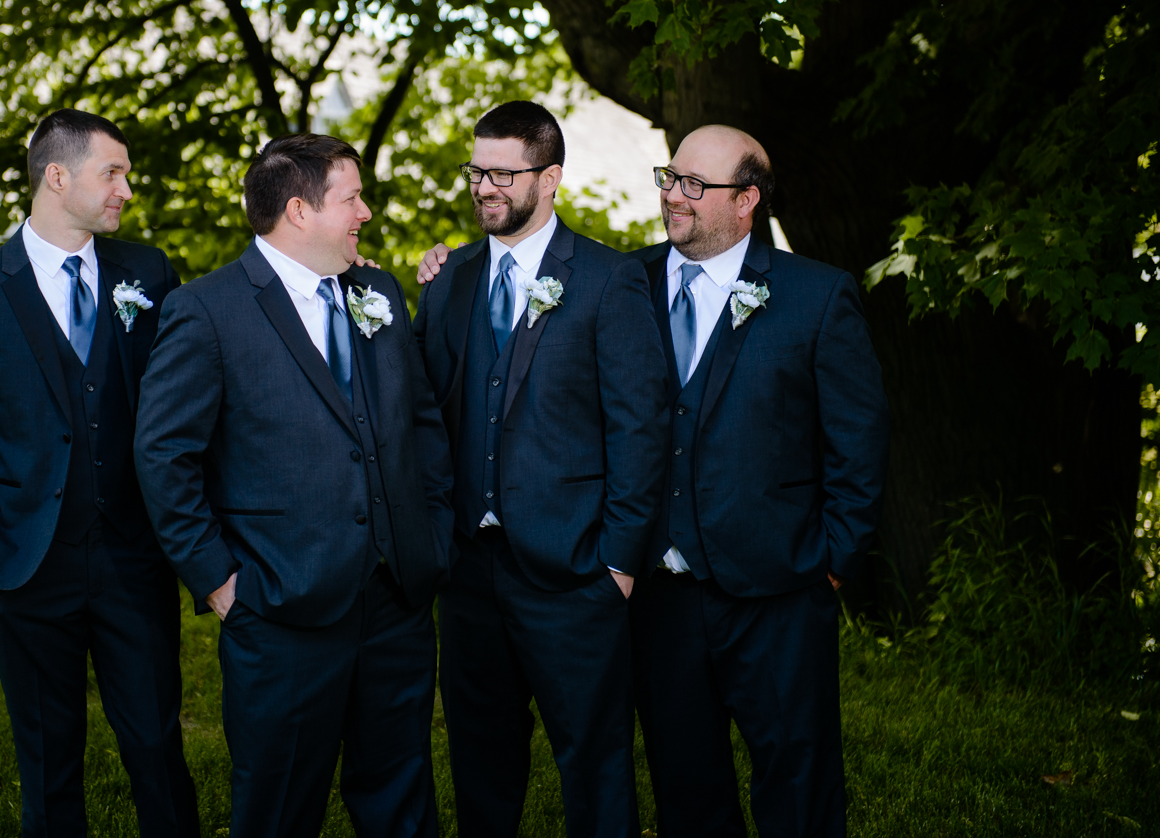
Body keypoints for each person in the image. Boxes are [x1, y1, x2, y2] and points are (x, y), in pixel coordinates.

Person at [134, 133, 455, 838]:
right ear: (299, 210)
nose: (365, 212)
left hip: (395, 603)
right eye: (352, 199)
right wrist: (219, 581)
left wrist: (431, 536)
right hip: (279, 609)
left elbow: (421, 425)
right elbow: (164, 456)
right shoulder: (208, 310)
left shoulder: (376, 292)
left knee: (403, 802)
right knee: (278, 809)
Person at [0, 108, 199, 838]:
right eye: (113, 173)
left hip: (133, 558)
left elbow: (189, 389)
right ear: (57, 176)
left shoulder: (148, 272)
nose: (126, 190)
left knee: (157, 747)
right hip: (25, 563)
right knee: (48, 759)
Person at [411, 101, 668, 838]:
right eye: (476, 171)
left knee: (594, 767)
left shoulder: (609, 279)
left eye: (503, 173)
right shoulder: (450, 278)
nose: (484, 187)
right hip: (468, 573)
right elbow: (421, 408)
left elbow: (640, 426)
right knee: (479, 763)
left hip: (576, 573)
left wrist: (618, 563)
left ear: (549, 178)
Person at [630, 125, 889, 837]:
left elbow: (858, 441)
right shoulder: (625, 283)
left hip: (781, 592)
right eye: (670, 177)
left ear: (746, 200)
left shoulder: (817, 295)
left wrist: (832, 562)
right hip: (661, 595)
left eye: (694, 185)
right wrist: (445, 265)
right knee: (686, 790)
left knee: (798, 785)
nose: (673, 196)